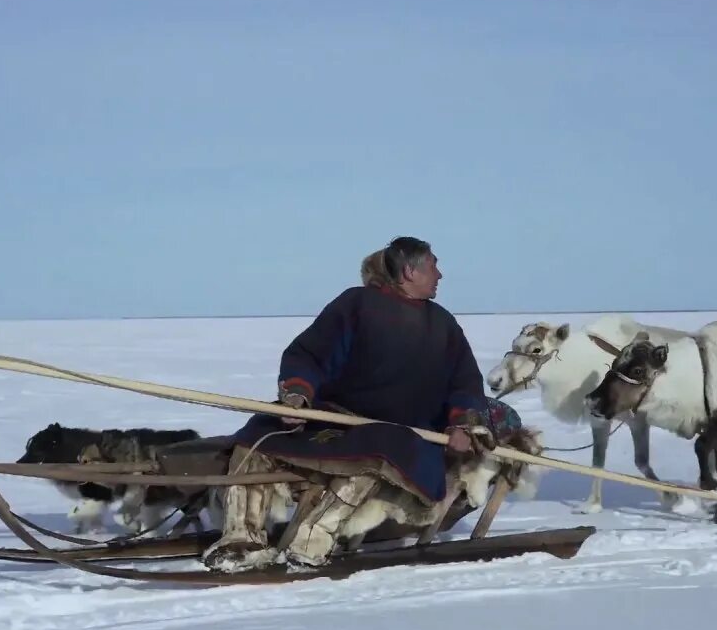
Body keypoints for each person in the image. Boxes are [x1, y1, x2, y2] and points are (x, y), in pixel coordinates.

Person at [201, 236, 496, 572]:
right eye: (433, 265)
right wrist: (297, 395)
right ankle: (242, 541)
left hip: (404, 432)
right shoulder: (356, 305)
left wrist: (462, 425)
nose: (440, 275)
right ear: (410, 271)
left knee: (381, 449)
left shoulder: (444, 326)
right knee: (258, 433)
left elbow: (466, 382)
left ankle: (311, 542)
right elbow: (310, 354)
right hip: (332, 417)